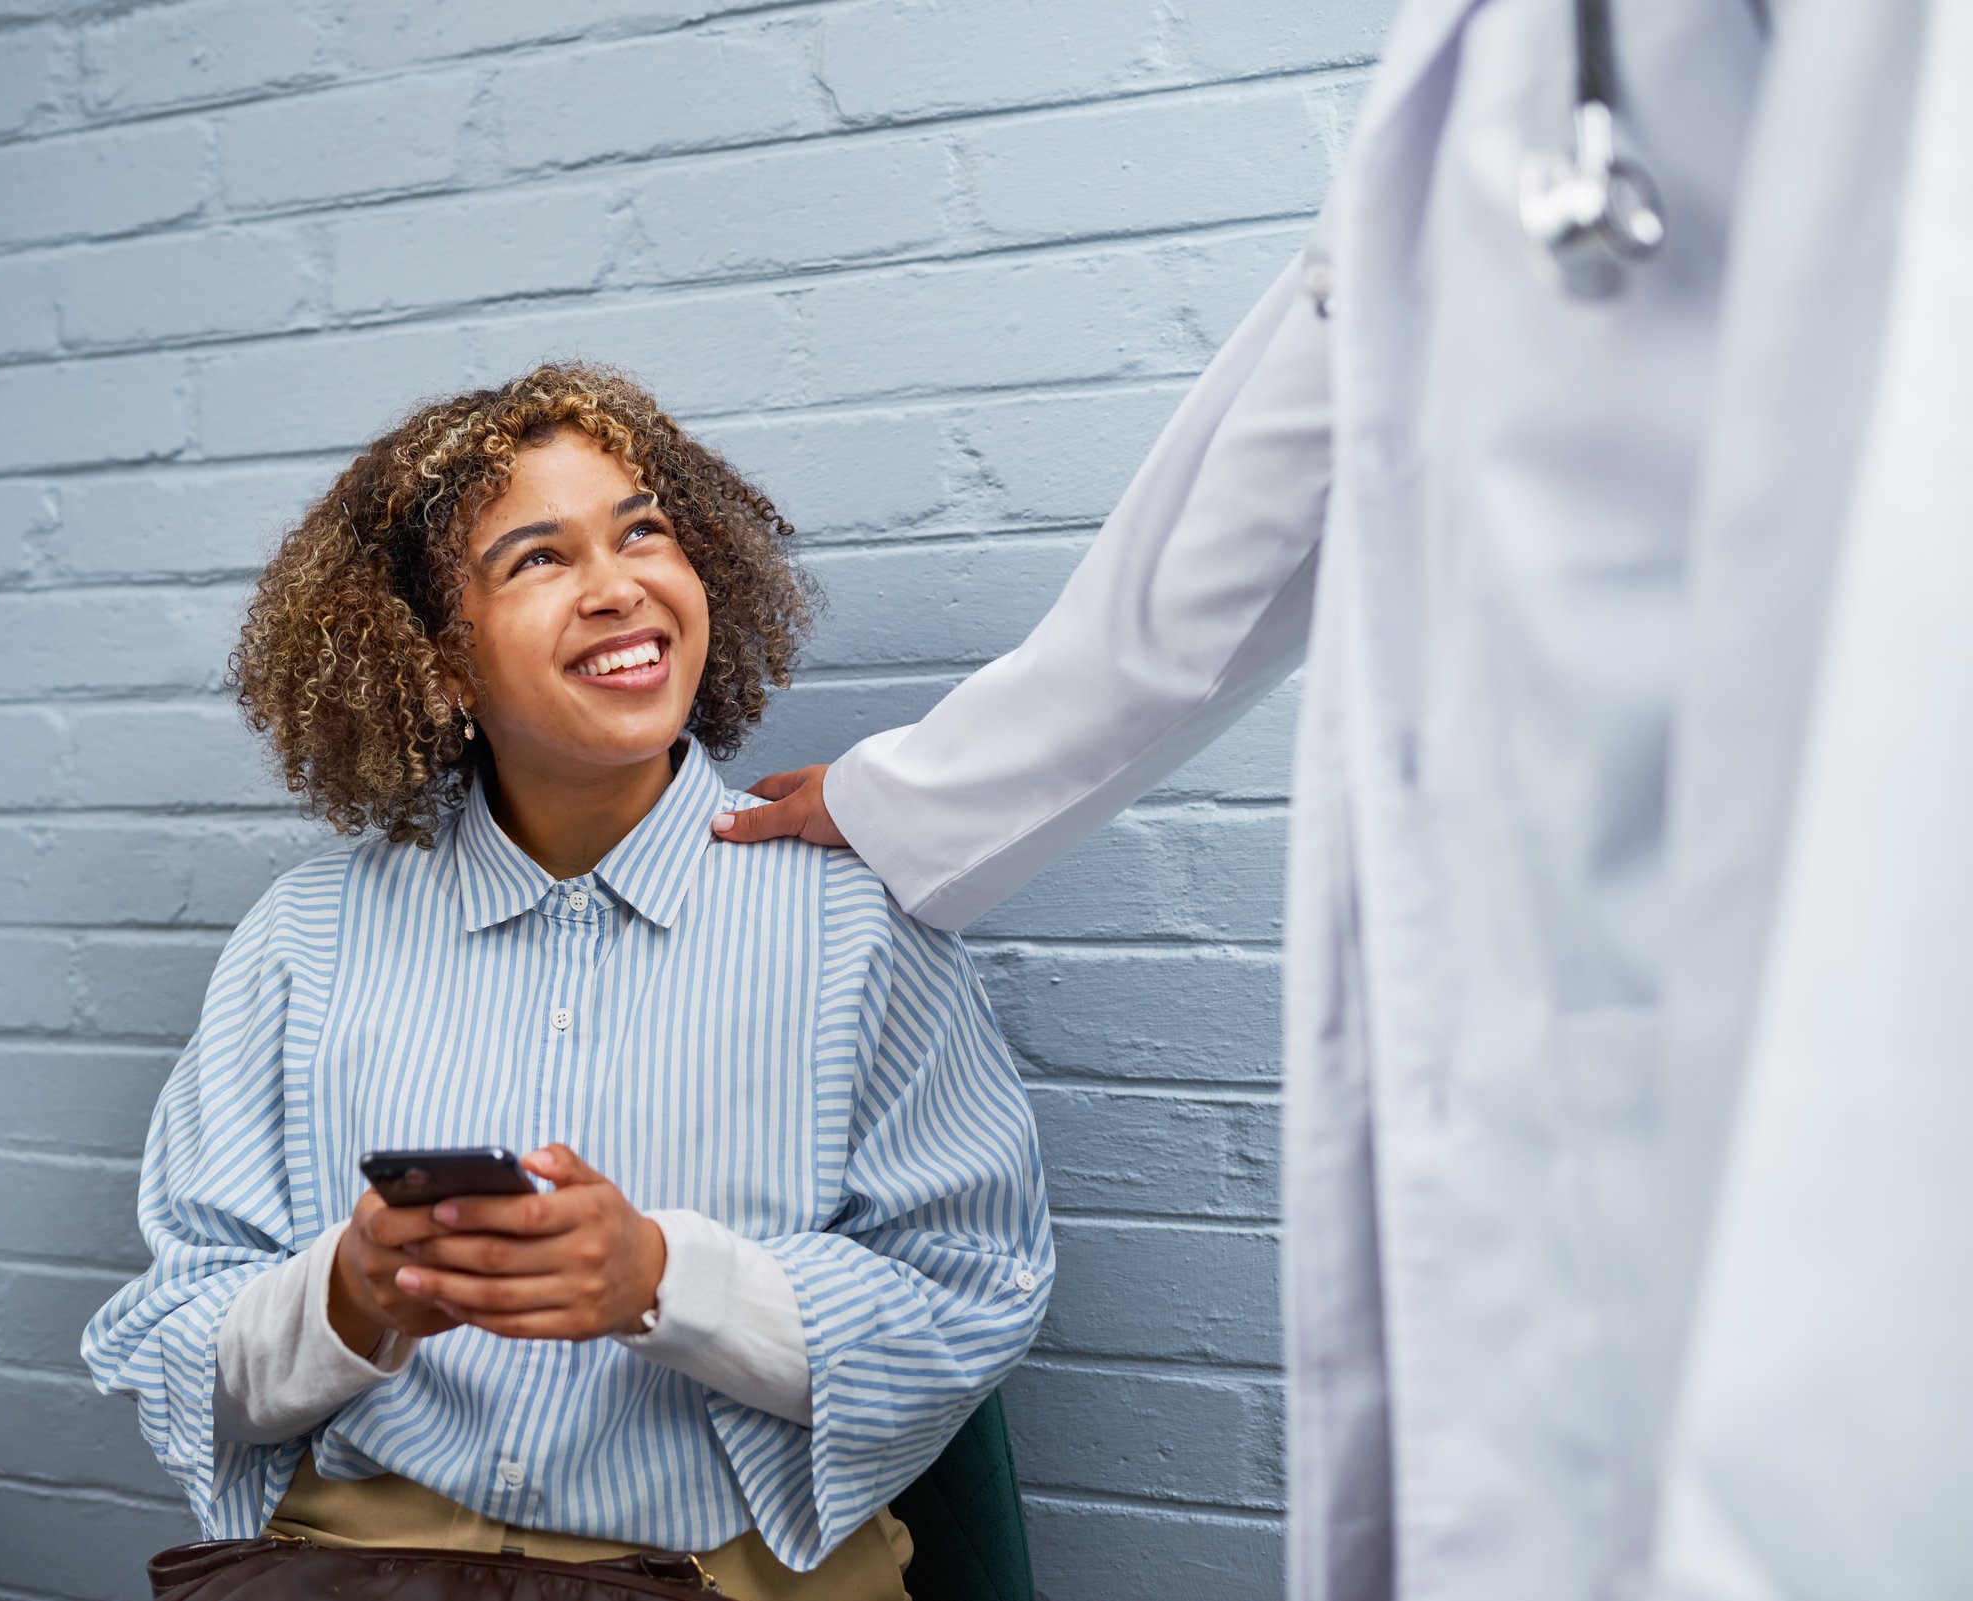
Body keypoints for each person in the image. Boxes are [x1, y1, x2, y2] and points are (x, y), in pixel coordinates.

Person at [713, 1, 1973, 1597]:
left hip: (1805, 909)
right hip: (1568, 963)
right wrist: (910, 796)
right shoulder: (1495, 59)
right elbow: (1279, 463)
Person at [81, 364, 1053, 1600]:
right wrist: (352, 1293)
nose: (617, 586)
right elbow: (175, 1337)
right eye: (538, 559)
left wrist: (664, 1280)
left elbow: (972, 1295)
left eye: (644, 529)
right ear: (434, 661)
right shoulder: (303, 937)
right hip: (359, 1572)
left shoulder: (858, 922)